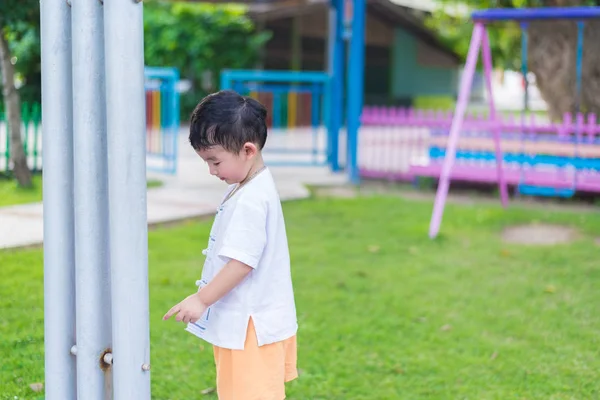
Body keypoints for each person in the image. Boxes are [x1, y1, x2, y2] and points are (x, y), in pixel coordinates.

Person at [163, 90, 298, 400]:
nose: (212, 170)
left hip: (250, 329)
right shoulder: (253, 184)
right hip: (250, 326)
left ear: (247, 150)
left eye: (215, 161)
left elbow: (241, 263)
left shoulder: (251, 199)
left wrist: (201, 299)